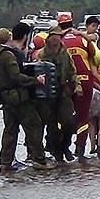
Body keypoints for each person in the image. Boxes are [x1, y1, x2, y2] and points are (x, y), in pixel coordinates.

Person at [0, 27, 50, 171]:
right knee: (34, 125)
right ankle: (39, 160)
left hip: (5, 97)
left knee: (10, 130)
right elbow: (16, 76)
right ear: (8, 38)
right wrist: (36, 80)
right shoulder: (8, 55)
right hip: (18, 97)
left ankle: (5, 162)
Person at [56, 11, 100, 158]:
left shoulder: (56, 41)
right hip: (85, 81)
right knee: (83, 116)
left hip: (64, 82)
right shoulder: (82, 39)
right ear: (72, 24)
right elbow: (97, 57)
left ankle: (61, 146)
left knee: (61, 115)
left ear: (59, 25)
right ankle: (80, 148)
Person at [34, 27, 78, 162]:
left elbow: (72, 70)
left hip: (63, 90)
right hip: (48, 93)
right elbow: (37, 72)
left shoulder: (65, 53)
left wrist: (77, 84)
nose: (56, 38)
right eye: (54, 36)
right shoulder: (42, 54)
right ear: (49, 37)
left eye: (59, 36)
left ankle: (65, 147)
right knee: (51, 125)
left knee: (69, 122)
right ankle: (57, 151)